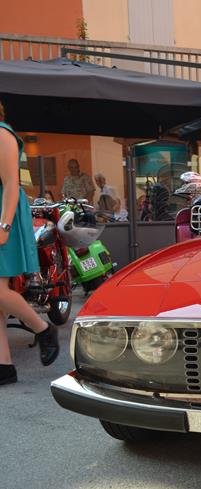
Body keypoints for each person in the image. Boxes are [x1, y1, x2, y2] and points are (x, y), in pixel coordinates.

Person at [0, 101, 60, 385]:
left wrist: (4, 226)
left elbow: (11, 184)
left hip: (4, 215)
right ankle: (4, 366)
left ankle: (43, 328)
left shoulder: (2, 134)